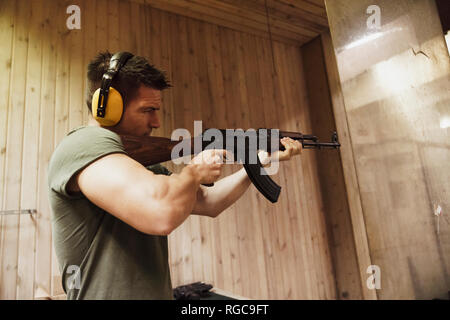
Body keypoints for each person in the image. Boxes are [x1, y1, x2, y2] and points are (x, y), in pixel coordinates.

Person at [47, 51, 302, 300]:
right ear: (107, 106)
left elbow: (210, 202)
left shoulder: (140, 166)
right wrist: (193, 172)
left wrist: (258, 163)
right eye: (148, 110)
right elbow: (160, 214)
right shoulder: (82, 145)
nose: (157, 122)